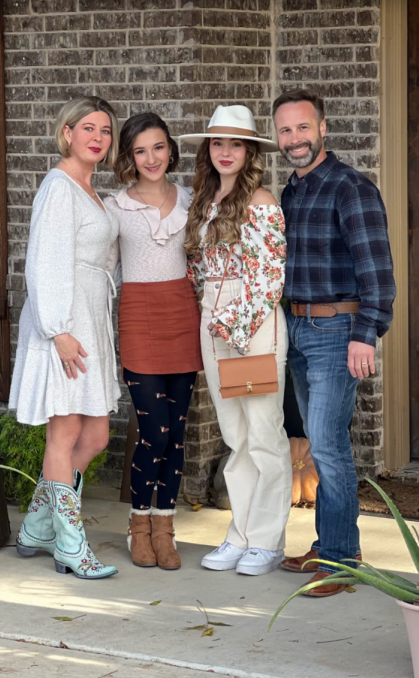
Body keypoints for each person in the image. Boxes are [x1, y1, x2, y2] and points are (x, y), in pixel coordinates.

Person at [272, 89, 396, 596]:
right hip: (298, 330)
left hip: (337, 333)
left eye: (303, 128)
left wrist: (365, 335)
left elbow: (378, 274)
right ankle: (330, 544)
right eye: (285, 130)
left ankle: (343, 560)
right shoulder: (292, 192)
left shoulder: (351, 189)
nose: (294, 139)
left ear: (323, 128)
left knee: (326, 444)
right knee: (322, 443)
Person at [9, 96, 121, 580]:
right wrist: (58, 331)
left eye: (106, 131)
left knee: (96, 434)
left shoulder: (91, 190)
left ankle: (36, 525)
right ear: (68, 133)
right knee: (66, 434)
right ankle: (71, 547)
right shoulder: (59, 188)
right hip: (64, 324)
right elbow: (44, 262)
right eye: (88, 128)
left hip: (90, 319)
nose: (98, 137)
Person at [180, 105, 291, 576]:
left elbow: (268, 277)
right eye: (218, 143)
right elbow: (199, 272)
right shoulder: (203, 202)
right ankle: (240, 534)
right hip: (214, 323)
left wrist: (237, 328)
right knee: (235, 436)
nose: (226, 152)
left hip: (254, 326)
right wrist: (209, 322)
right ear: (209, 149)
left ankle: (267, 541)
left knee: (265, 435)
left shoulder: (261, 201)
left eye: (236, 144)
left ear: (249, 152)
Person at [103, 113, 202, 571]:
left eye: (158, 147)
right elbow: (103, 271)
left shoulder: (192, 199)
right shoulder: (115, 207)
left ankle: (166, 528)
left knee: (177, 432)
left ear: (171, 150)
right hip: (139, 316)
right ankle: (138, 525)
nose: (151, 158)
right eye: (140, 151)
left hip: (182, 312)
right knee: (154, 429)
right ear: (129, 156)